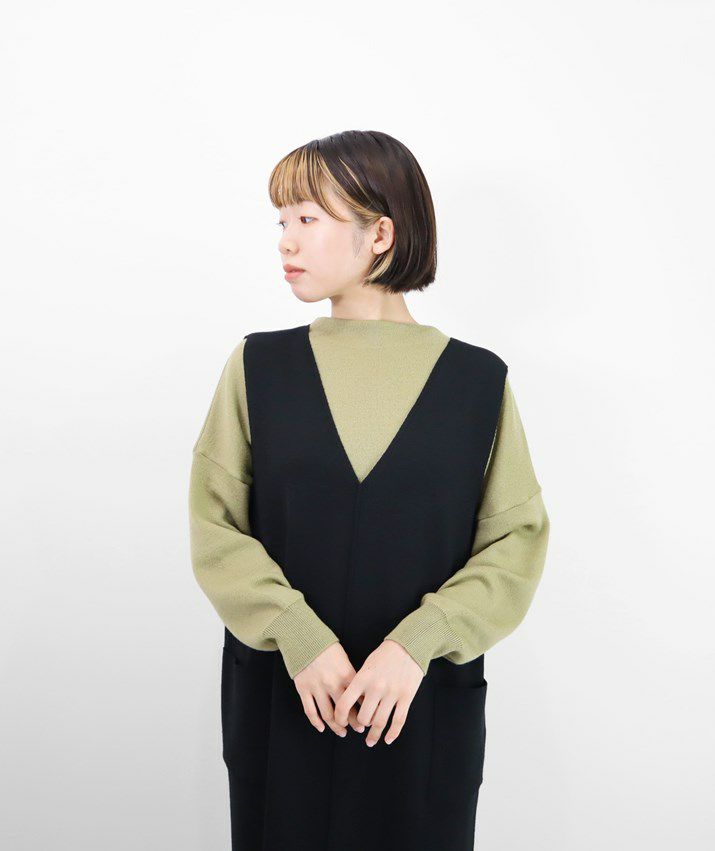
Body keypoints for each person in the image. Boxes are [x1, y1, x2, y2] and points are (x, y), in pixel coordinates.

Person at [188, 130, 550, 851]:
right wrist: (296, 633)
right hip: (283, 705)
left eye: (306, 218)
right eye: (281, 221)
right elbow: (215, 525)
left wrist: (418, 643)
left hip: (421, 714)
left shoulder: (478, 383)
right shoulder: (257, 367)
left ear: (379, 234)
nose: (286, 240)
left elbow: (514, 542)